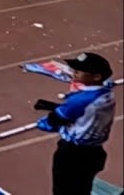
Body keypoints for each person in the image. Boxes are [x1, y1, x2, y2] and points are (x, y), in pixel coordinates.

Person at [33, 52, 115, 194]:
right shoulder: (106, 93)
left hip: (73, 154)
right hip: (94, 151)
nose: (74, 72)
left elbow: (55, 120)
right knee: (82, 187)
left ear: (96, 76)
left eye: (79, 71)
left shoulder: (80, 100)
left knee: (64, 188)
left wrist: (44, 122)